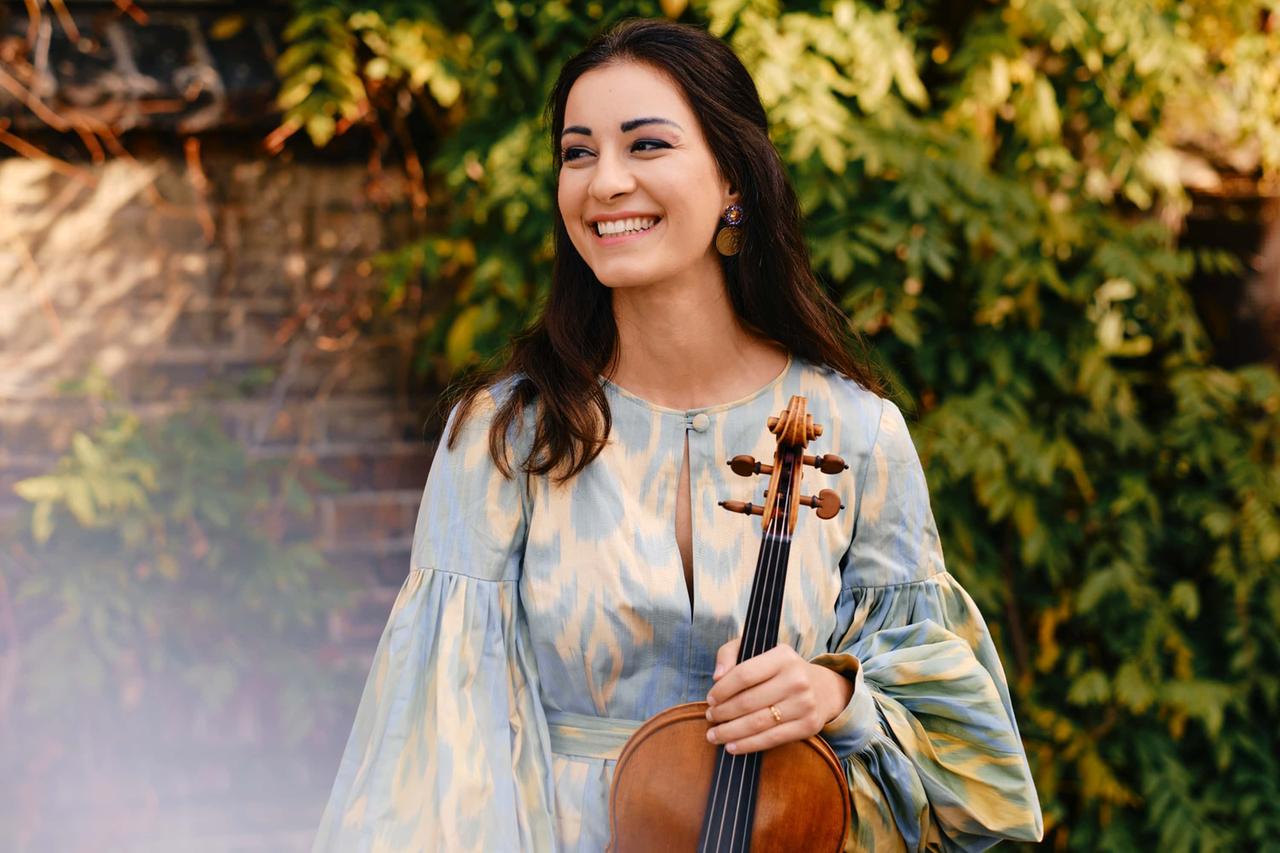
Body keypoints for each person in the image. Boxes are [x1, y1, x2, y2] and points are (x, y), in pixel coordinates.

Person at [313, 17, 1044, 852]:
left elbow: (973, 777)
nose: (604, 182)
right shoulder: (506, 434)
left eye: (646, 145)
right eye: (578, 152)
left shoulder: (860, 432)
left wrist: (838, 699)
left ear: (734, 179)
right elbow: (437, 754)